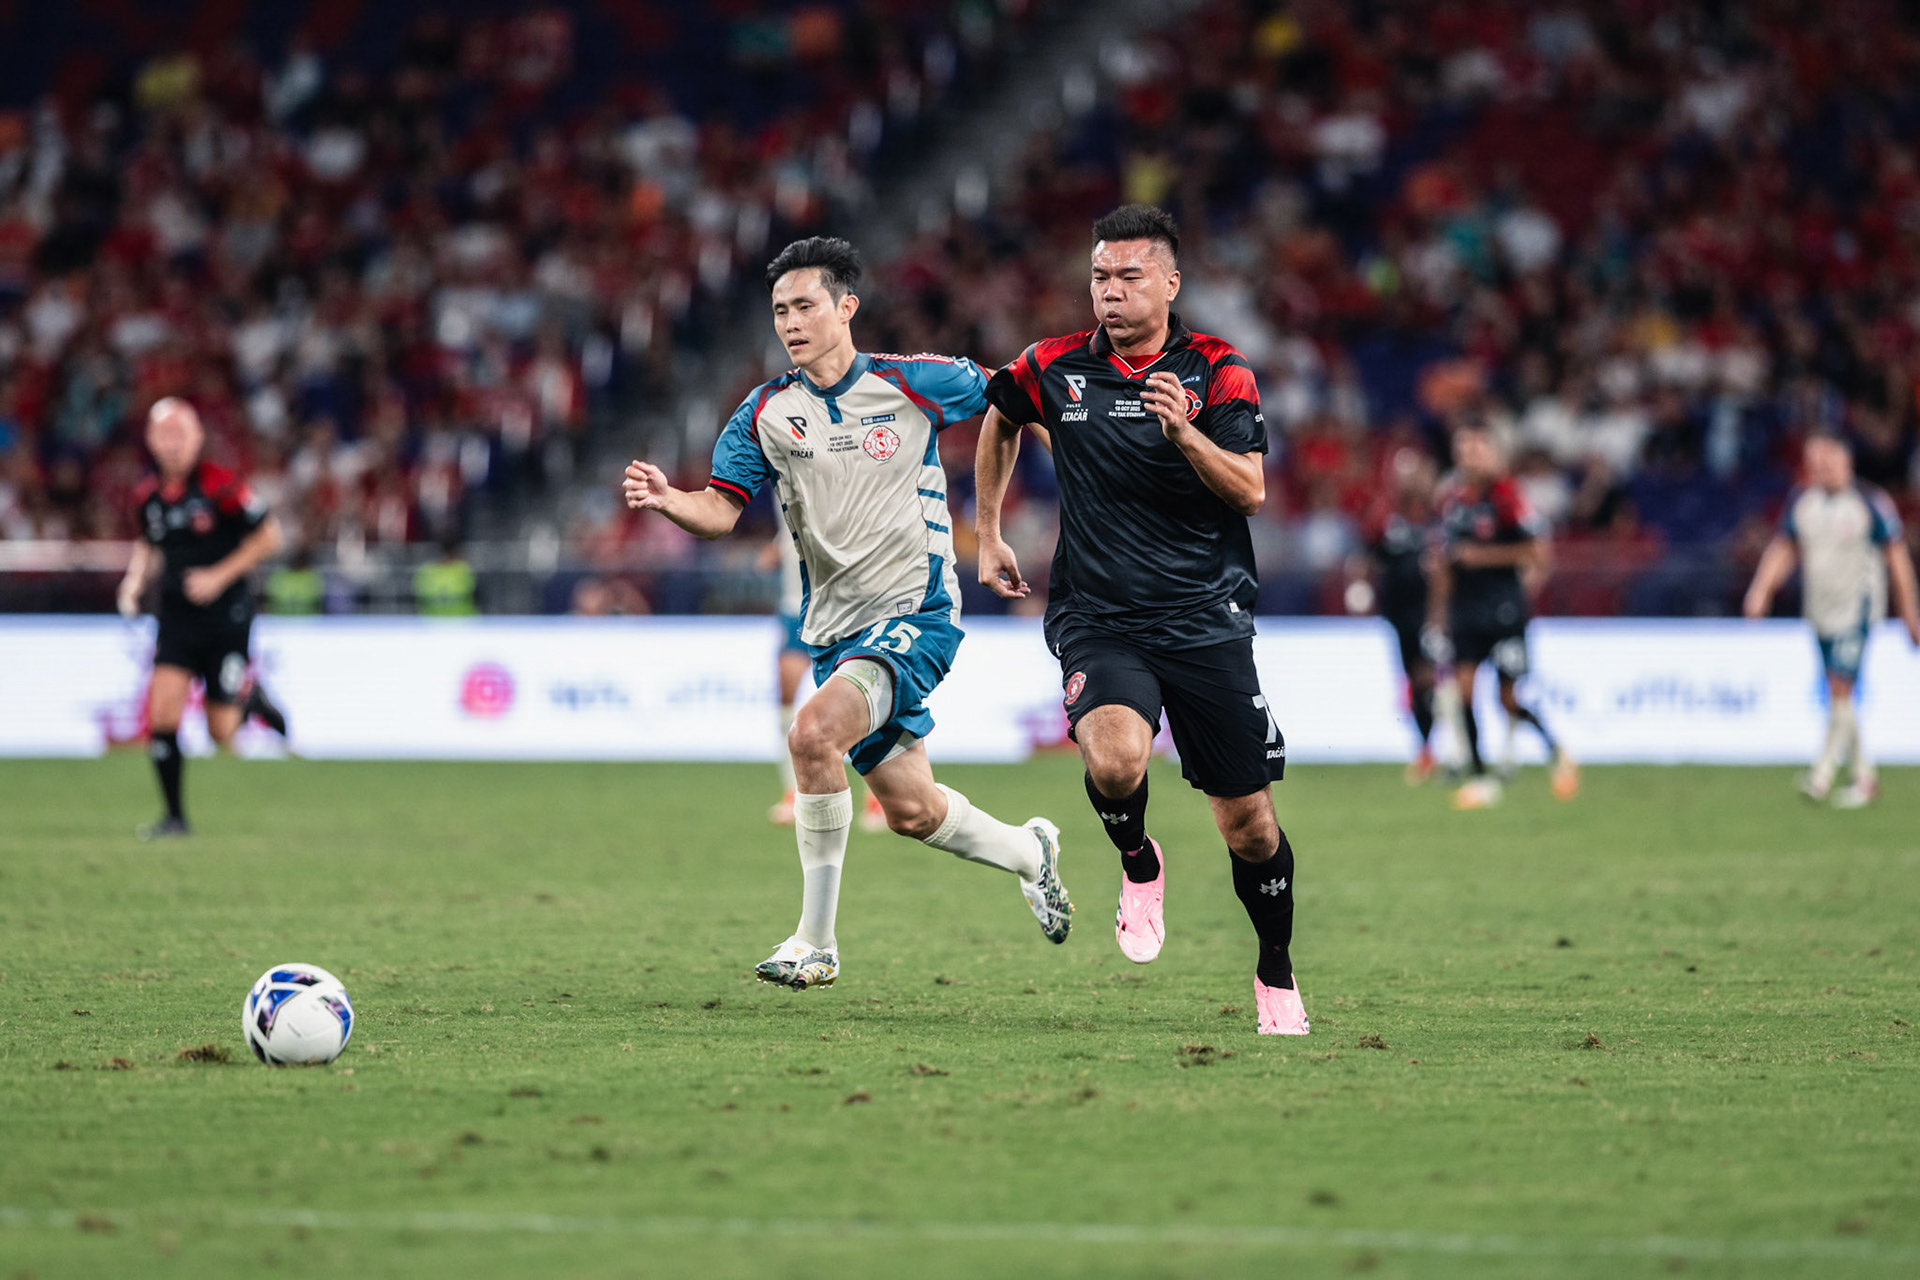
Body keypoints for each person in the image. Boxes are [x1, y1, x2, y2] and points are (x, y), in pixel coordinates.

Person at [622, 236, 1071, 991]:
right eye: (779, 311)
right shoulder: (766, 412)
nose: (791, 323)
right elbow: (720, 511)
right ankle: (1032, 853)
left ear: (846, 308)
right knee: (913, 811)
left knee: (811, 733)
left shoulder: (913, 382)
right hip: (835, 631)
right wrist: (672, 501)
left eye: (804, 305)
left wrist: (1047, 499)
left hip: (916, 612)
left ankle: (815, 942)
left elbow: (1022, 398)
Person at [974, 204, 1307, 1036]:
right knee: (1117, 760)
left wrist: (1185, 433)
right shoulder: (1053, 365)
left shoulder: (1219, 369)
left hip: (1206, 618)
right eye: (1100, 276)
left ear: (1170, 283)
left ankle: (1275, 969)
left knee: (1249, 827)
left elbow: (1251, 491)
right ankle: (1138, 859)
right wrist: (986, 532)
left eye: (1129, 276)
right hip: (1099, 614)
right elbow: (1000, 416)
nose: (1110, 292)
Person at [117, 397, 289, 839]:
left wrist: (218, 576)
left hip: (226, 618)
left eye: (181, 433)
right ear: (151, 440)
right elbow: (149, 543)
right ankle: (174, 818)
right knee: (163, 715)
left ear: (197, 438)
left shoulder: (221, 485)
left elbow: (269, 537)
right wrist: (133, 582)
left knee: (221, 733)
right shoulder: (148, 496)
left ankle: (248, 699)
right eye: (164, 434)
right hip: (177, 619)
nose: (173, 443)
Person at [1743, 431, 1920, 807]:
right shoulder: (1803, 502)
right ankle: (1864, 777)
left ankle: (1821, 774)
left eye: (1827, 459)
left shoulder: (1870, 502)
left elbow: (1897, 559)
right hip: (1819, 613)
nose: (1821, 467)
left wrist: (1909, 613)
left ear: (1845, 460)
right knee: (1840, 694)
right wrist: (1761, 590)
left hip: (1857, 611)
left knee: (1840, 686)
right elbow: (1784, 548)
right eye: (1814, 461)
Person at [1425, 422, 1578, 810]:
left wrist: (1484, 557)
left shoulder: (1507, 495)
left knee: (1507, 699)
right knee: (1462, 691)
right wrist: (1438, 614)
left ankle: (1556, 749)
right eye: (1463, 449)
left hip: (1503, 610)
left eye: (1477, 448)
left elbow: (1538, 552)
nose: (1469, 456)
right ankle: (1479, 778)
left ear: (1491, 453)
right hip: (1465, 610)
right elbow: (1445, 560)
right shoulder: (1452, 499)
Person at [763, 533, 886, 832]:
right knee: (786, 694)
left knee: (859, 699)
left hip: (848, 608)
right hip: (797, 607)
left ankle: (877, 796)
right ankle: (794, 792)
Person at [1359, 447, 1446, 784]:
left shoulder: (1438, 518)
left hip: (1433, 613)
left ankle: (1437, 749)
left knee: (1427, 679)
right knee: (1413, 681)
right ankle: (1427, 750)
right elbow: (1368, 556)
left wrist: (1439, 617)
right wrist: (1361, 585)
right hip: (1398, 614)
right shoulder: (1387, 518)